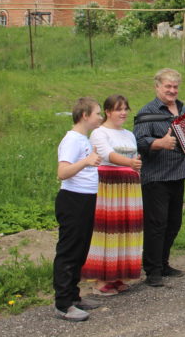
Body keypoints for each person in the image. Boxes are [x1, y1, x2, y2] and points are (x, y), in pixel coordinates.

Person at [134, 69, 185, 287]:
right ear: (157, 87)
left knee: (174, 222)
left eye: (175, 87)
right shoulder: (147, 112)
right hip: (156, 176)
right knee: (156, 224)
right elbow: (139, 141)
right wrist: (158, 143)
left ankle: (163, 263)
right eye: (168, 87)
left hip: (179, 173)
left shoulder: (183, 109)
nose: (172, 90)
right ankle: (152, 270)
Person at [82, 94, 143, 295]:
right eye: (118, 109)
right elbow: (107, 154)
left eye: (125, 108)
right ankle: (100, 279)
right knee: (107, 230)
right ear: (108, 112)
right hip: (109, 185)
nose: (123, 113)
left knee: (125, 230)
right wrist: (130, 163)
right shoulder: (99, 133)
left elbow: (134, 156)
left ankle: (117, 274)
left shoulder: (129, 134)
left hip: (129, 185)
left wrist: (135, 167)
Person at [53, 97, 103, 322]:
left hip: (86, 199)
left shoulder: (82, 139)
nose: (101, 117)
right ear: (85, 115)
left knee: (81, 250)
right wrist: (86, 161)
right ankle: (63, 304)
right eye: (98, 113)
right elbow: (62, 172)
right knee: (69, 252)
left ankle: (74, 296)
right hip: (72, 200)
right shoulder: (72, 139)